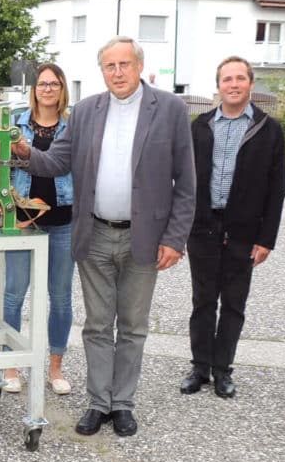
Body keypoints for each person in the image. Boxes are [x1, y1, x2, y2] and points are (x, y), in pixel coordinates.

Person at [11, 37, 195, 437]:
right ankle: (98, 402)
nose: (117, 73)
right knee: (96, 325)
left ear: (140, 66)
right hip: (94, 234)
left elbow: (186, 181)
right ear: (102, 71)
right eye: (109, 66)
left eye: (124, 64)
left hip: (144, 238)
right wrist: (24, 151)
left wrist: (175, 239)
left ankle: (123, 404)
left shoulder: (170, 109)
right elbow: (58, 160)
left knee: (132, 325)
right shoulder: (87, 111)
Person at [182, 56, 285, 398]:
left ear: (251, 84)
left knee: (233, 304)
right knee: (202, 301)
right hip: (204, 227)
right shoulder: (200, 125)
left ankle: (222, 369)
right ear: (218, 86)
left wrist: (266, 238)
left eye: (240, 78)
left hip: (243, 230)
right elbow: (184, 180)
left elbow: (277, 188)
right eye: (227, 79)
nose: (233, 84)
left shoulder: (268, 129)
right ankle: (199, 366)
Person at [1, 63, 75, 396]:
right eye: (42, 83)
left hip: (62, 222)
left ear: (62, 90)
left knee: (60, 299)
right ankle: (11, 365)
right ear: (34, 89)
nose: (47, 89)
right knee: (14, 295)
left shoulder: (74, 125)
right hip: (22, 221)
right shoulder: (16, 122)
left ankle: (55, 367)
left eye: (54, 84)